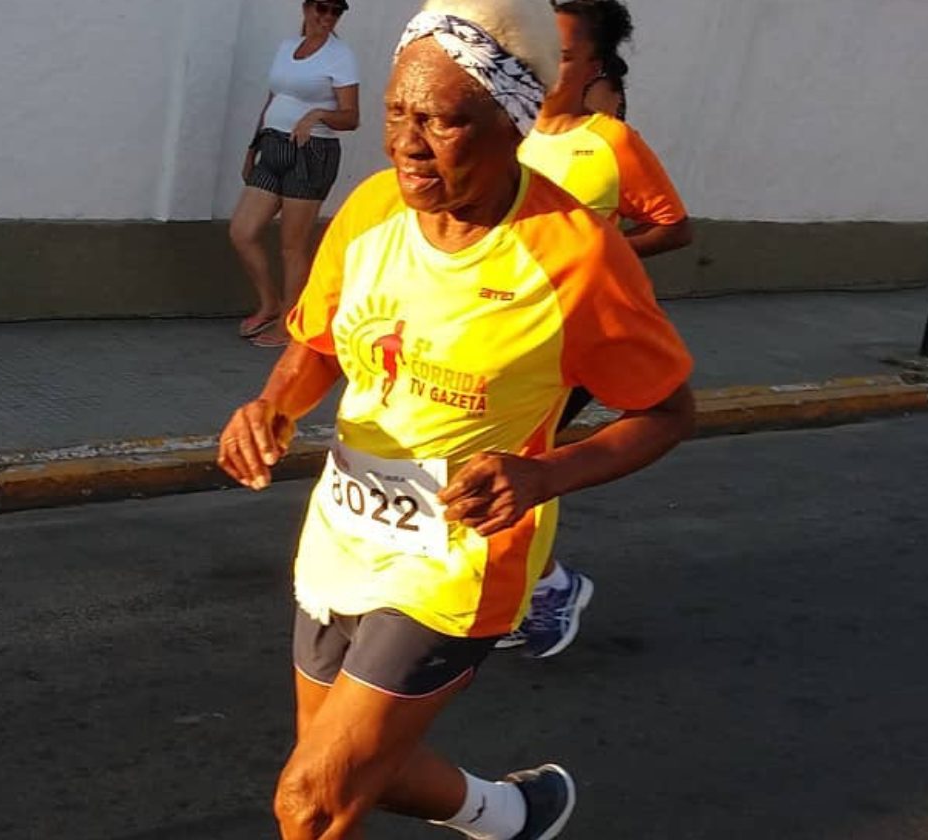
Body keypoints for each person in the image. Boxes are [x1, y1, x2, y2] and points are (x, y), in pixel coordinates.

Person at [216, 0, 696, 835]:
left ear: (511, 124)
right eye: (399, 112)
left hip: (460, 556)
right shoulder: (369, 210)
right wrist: (270, 406)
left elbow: (666, 410)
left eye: (440, 120)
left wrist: (546, 473)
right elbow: (320, 345)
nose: (406, 140)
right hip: (344, 531)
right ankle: (511, 813)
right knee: (346, 766)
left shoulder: (576, 256)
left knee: (310, 800)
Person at [508, 0, 693, 659]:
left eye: (560, 55)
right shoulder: (513, 130)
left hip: (575, 336)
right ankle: (522, 587)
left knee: (516, 459)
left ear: (591, 66)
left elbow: (674, 226)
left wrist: (600, 256)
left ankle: (547, 587)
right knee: (493, 457)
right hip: (505, 330)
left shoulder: (610, 142)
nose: (542, 65)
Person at [231, 0, 361, 348]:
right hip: (272, 147)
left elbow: (351, 117)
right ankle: (270, 303)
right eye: (322, 8)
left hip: (311, 153)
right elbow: (273, 97)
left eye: (336, 11)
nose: (327, 17)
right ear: (306, 8)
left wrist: (318, 114)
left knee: (292, 246)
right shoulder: (288, 47)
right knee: (242, 231)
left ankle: (291, 323)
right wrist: (252, 147)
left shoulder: (340, 56)